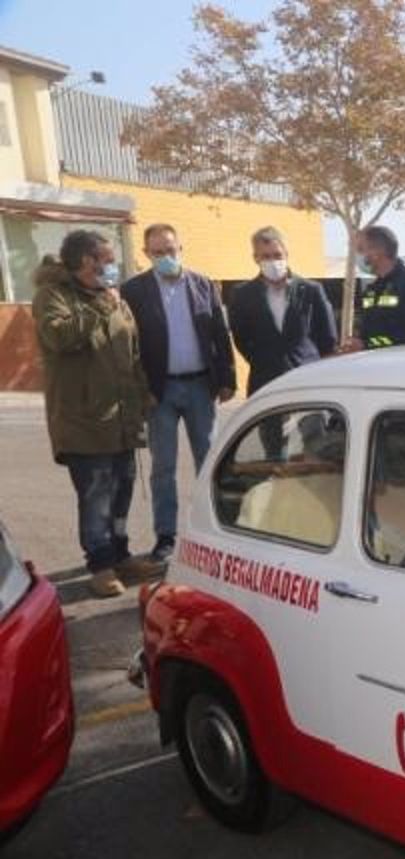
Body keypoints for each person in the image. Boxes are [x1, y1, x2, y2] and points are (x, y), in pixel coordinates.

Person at [32, 231, 165, 598]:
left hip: (121, 418)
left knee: (122, 492)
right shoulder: (53, 296)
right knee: (96, 497)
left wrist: (142, 394)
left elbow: (131, 352)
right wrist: (102, 306)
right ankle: (101, 565)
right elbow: (59, 337)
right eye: (105, 260)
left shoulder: (114, 298)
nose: (112, 266)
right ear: (84, 263)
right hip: (82, 421)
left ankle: (121, 554)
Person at [121, 223, 236, 563]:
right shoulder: (134, 291)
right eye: (158, 252)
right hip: (160, 391)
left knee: (209, 460)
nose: (166, 257)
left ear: (181, 247)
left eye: (171, 250)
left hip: (201, 386)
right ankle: (166, 535)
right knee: (164, 466)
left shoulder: (202, 284)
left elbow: (219, 332)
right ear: (146, 254)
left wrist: (227, 377)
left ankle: (211, 528)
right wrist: (142, 390)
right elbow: (129, 347)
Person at [227, 226, 337, 394]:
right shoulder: (242, 295)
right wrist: (264, 361)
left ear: (286, 254)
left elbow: (328, 339)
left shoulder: (311, 290)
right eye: (266, 256)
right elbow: (241, 339)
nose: (273, 261)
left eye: (277, 255)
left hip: (308, 381)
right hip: (265, 383)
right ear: (255, 258)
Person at [340, 224, 405, 352]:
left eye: (360, 249)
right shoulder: (372, 290)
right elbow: (366, 331)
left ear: (378, 251)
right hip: (374, 365)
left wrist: (368, 344)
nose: (357, 256)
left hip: (404, 367)